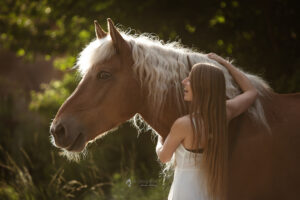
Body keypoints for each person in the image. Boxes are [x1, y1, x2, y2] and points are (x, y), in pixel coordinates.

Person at [156, 53, 258, 200]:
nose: (184, 81)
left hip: (185, 192)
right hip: (211, 191)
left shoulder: (183, 124)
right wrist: (226, 64)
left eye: (190, 80)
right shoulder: (225, 113)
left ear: (202, 87)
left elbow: (164, 157)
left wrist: (160, 141)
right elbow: (252, 92)